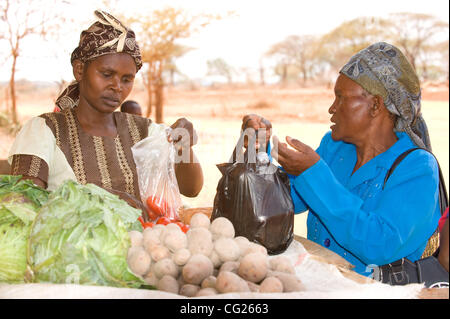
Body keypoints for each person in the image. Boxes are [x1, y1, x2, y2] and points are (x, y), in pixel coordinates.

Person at [242, 42, 441, 276]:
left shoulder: (417, 167)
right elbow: (283, 202)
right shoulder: (334, 147)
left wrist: (313, 174)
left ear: (375, 105)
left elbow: (380, 245)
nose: (332, 108)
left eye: (341, 98)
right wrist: (259, 153)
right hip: (323, 283)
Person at [8, 10, 203, 218]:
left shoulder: (145, 132)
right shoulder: (44, 130)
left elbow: (191, 188)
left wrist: (184, 147)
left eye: (127, 79)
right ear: (79, 70)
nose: (117, 87)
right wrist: (95, 199)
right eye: (107, 74)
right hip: (74, 249)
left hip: (146, 247)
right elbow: (22, 203)